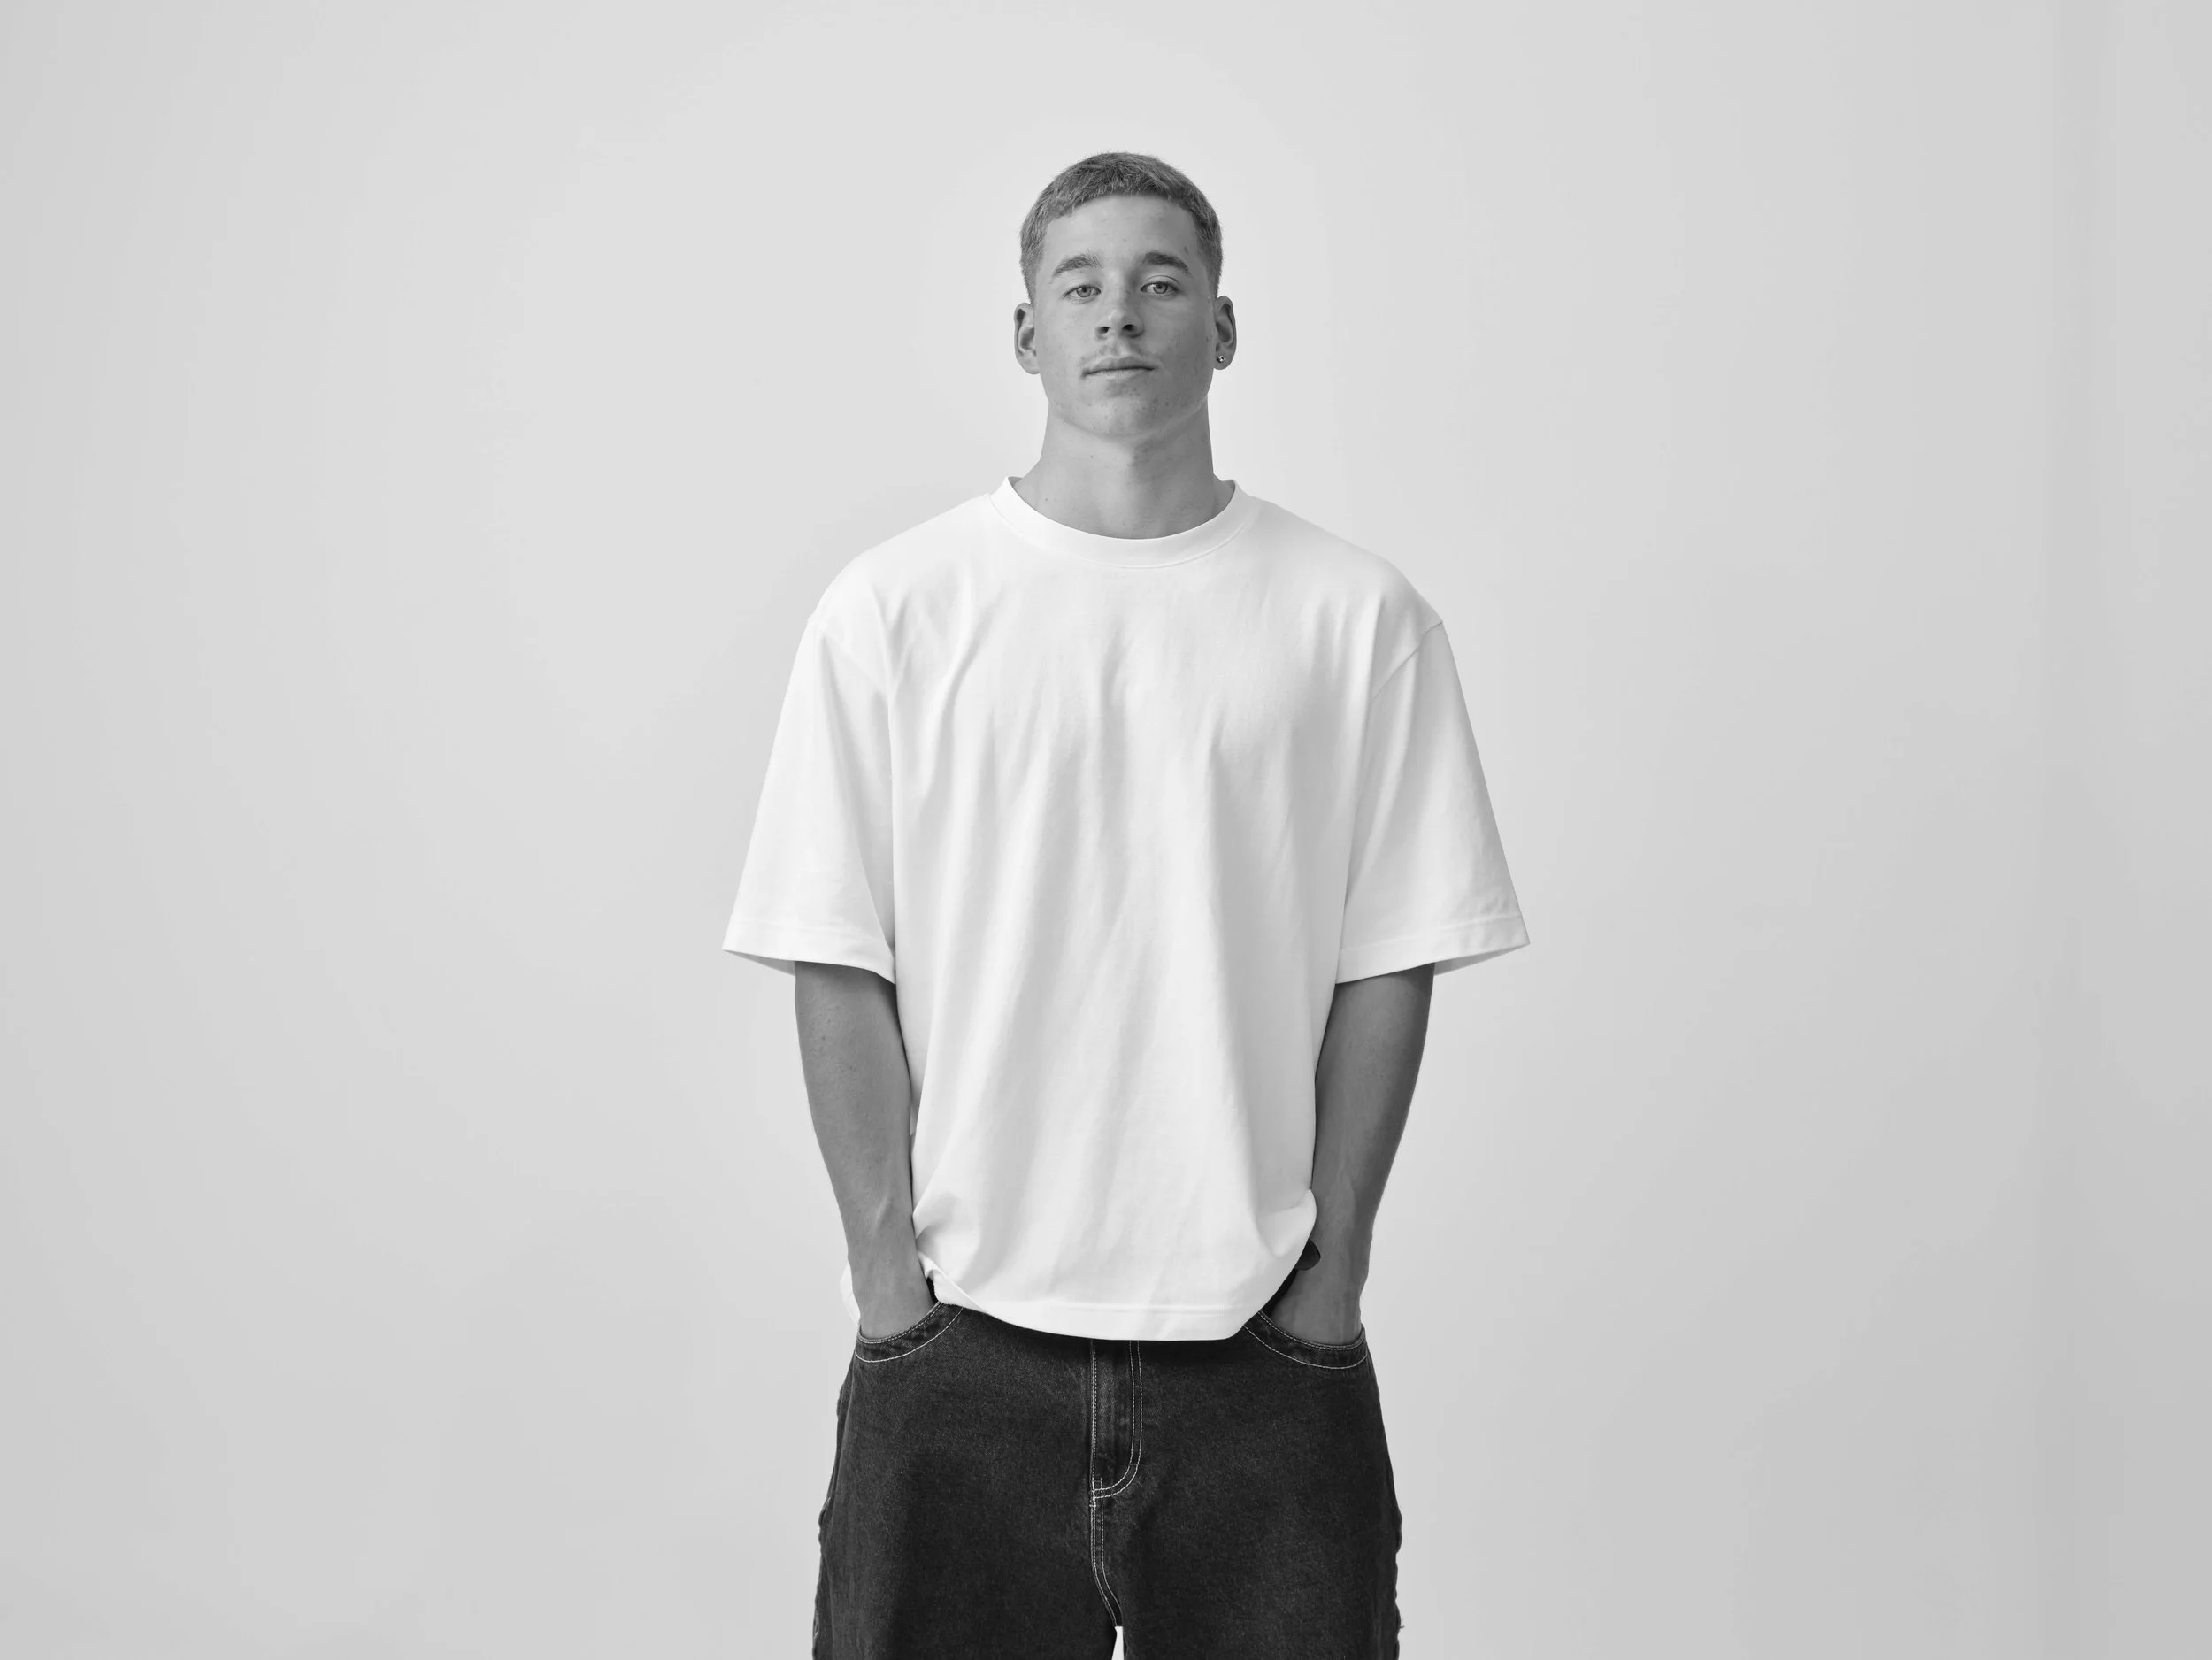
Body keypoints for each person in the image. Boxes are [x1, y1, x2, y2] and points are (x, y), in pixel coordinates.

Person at [724, 150, 1528, 1659]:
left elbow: (1392, 961)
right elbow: (836, 954)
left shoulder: (1356, 617)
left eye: (1163, 283)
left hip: (1261, 1354)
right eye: (1080, 286)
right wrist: (889, 1280)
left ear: (1224, 330)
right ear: (1023, 333)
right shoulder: (897, 611)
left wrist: (1335, 1272)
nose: (1121, 317)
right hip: (964, 1349)